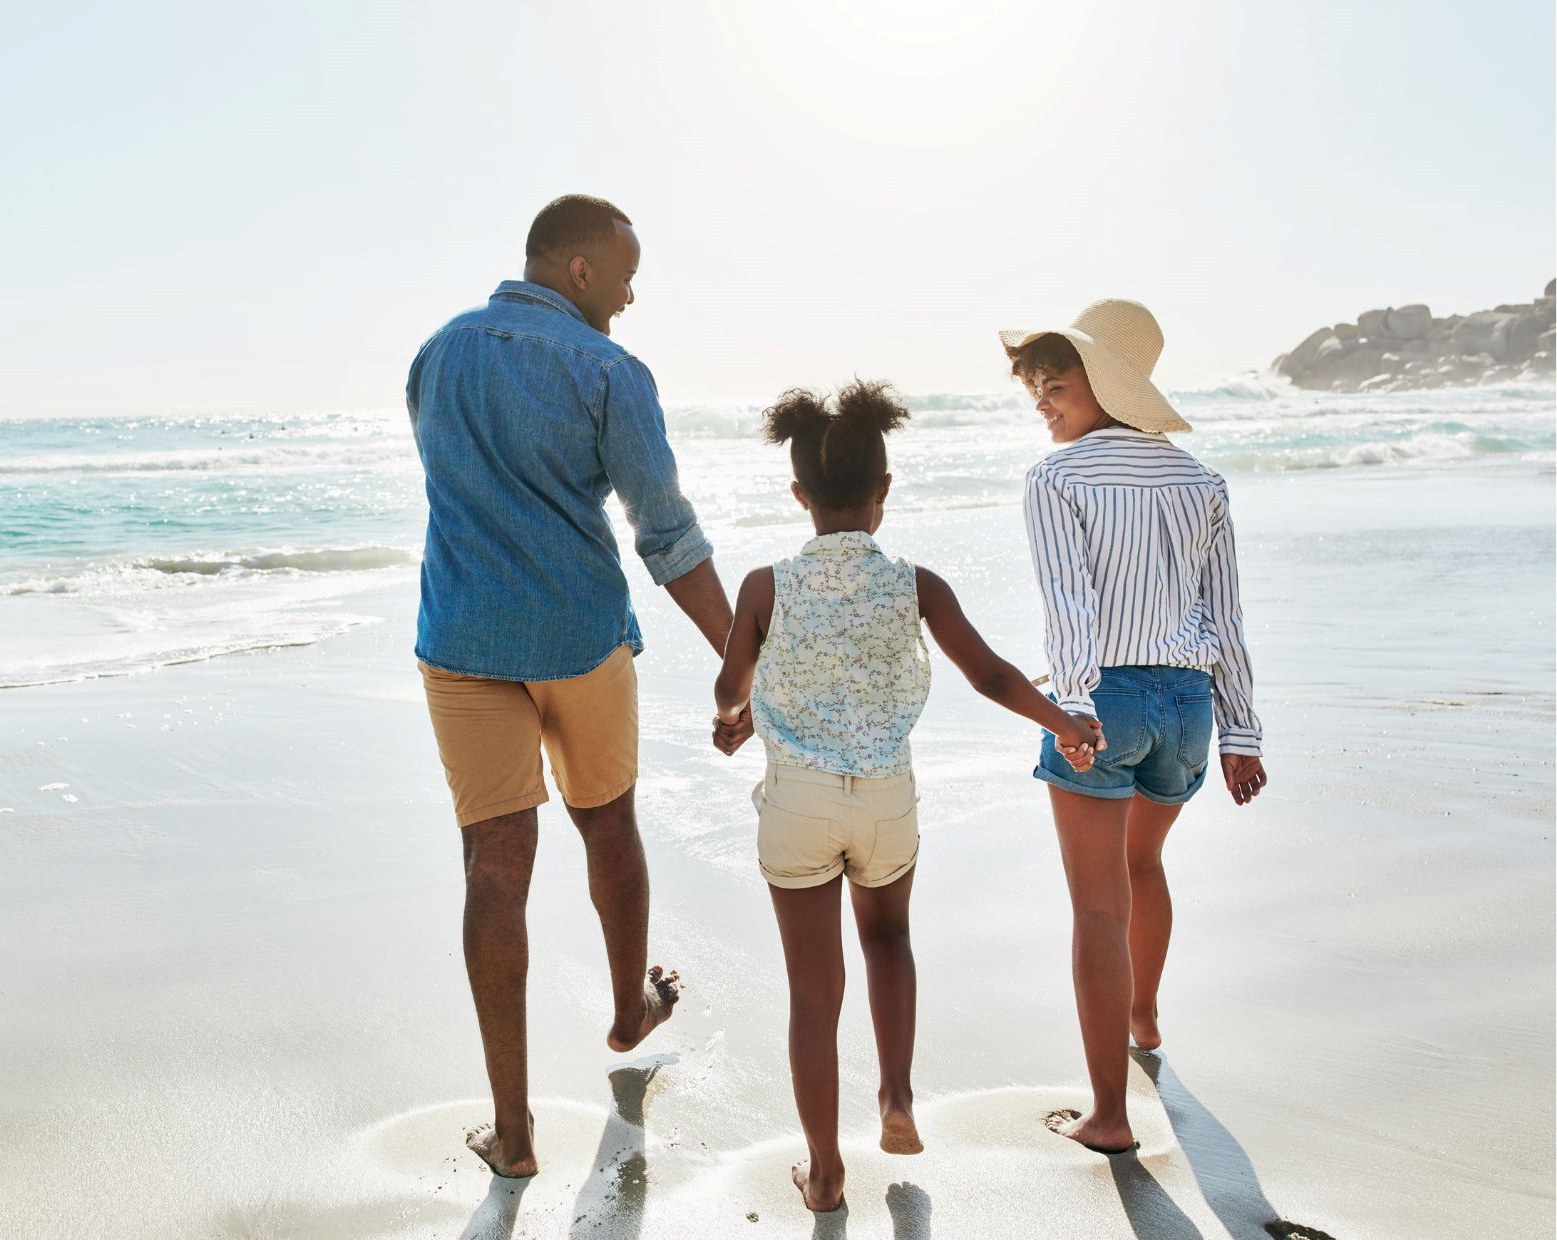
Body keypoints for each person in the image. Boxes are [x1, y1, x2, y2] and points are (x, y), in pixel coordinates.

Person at [406, 194, 745, 1180]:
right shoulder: (607, 370)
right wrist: (733, 658)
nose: (633, 294)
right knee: (606, 823)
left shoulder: (435, 354)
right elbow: (664, 532)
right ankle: (625, 1012)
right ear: (580, 269)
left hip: (460, 639)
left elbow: (461, 488)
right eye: (625, 272)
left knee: (494, 864)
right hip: (578, 639)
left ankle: (512, 1138)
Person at [711, 380, 1102, 1212]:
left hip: (797, 806)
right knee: (888, 941)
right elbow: (991, 673)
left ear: (798, 497)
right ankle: (896, 1096)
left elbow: (729, 683)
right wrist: (1063, 720)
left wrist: (734, 716)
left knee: (814, 993)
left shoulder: (763, 587)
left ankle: (824, 1174)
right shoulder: (916, 583)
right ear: (883, 493)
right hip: (885, 797)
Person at [1001, 299, 1267, 1155]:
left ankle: (1110, 1116)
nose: (1042, 400)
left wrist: (1072, 705)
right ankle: (1143, 1019)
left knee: (1096, 909)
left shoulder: (1058, 478)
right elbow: (1223, 615)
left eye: (1057, 384)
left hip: (1103, 702)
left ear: (1106, 385)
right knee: (1143, 864)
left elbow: (1069, 605)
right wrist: (1242, 734)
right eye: (1035, 387)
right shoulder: (1202, 481)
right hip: (1189, 708)